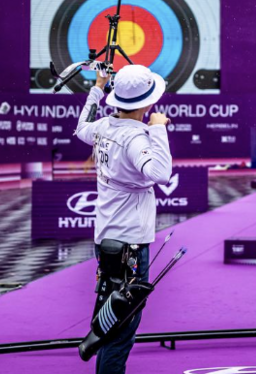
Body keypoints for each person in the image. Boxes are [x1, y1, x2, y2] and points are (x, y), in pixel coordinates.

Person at [74, 63, 172, 374]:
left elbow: (81, 127)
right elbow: (161, 173)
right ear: (146, 103)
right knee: (122, 325)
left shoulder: (103, 127)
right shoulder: (135, 138)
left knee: (111, 316)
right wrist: (158, 128)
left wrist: (97, 87)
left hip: (106, 238)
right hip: (128, 242)